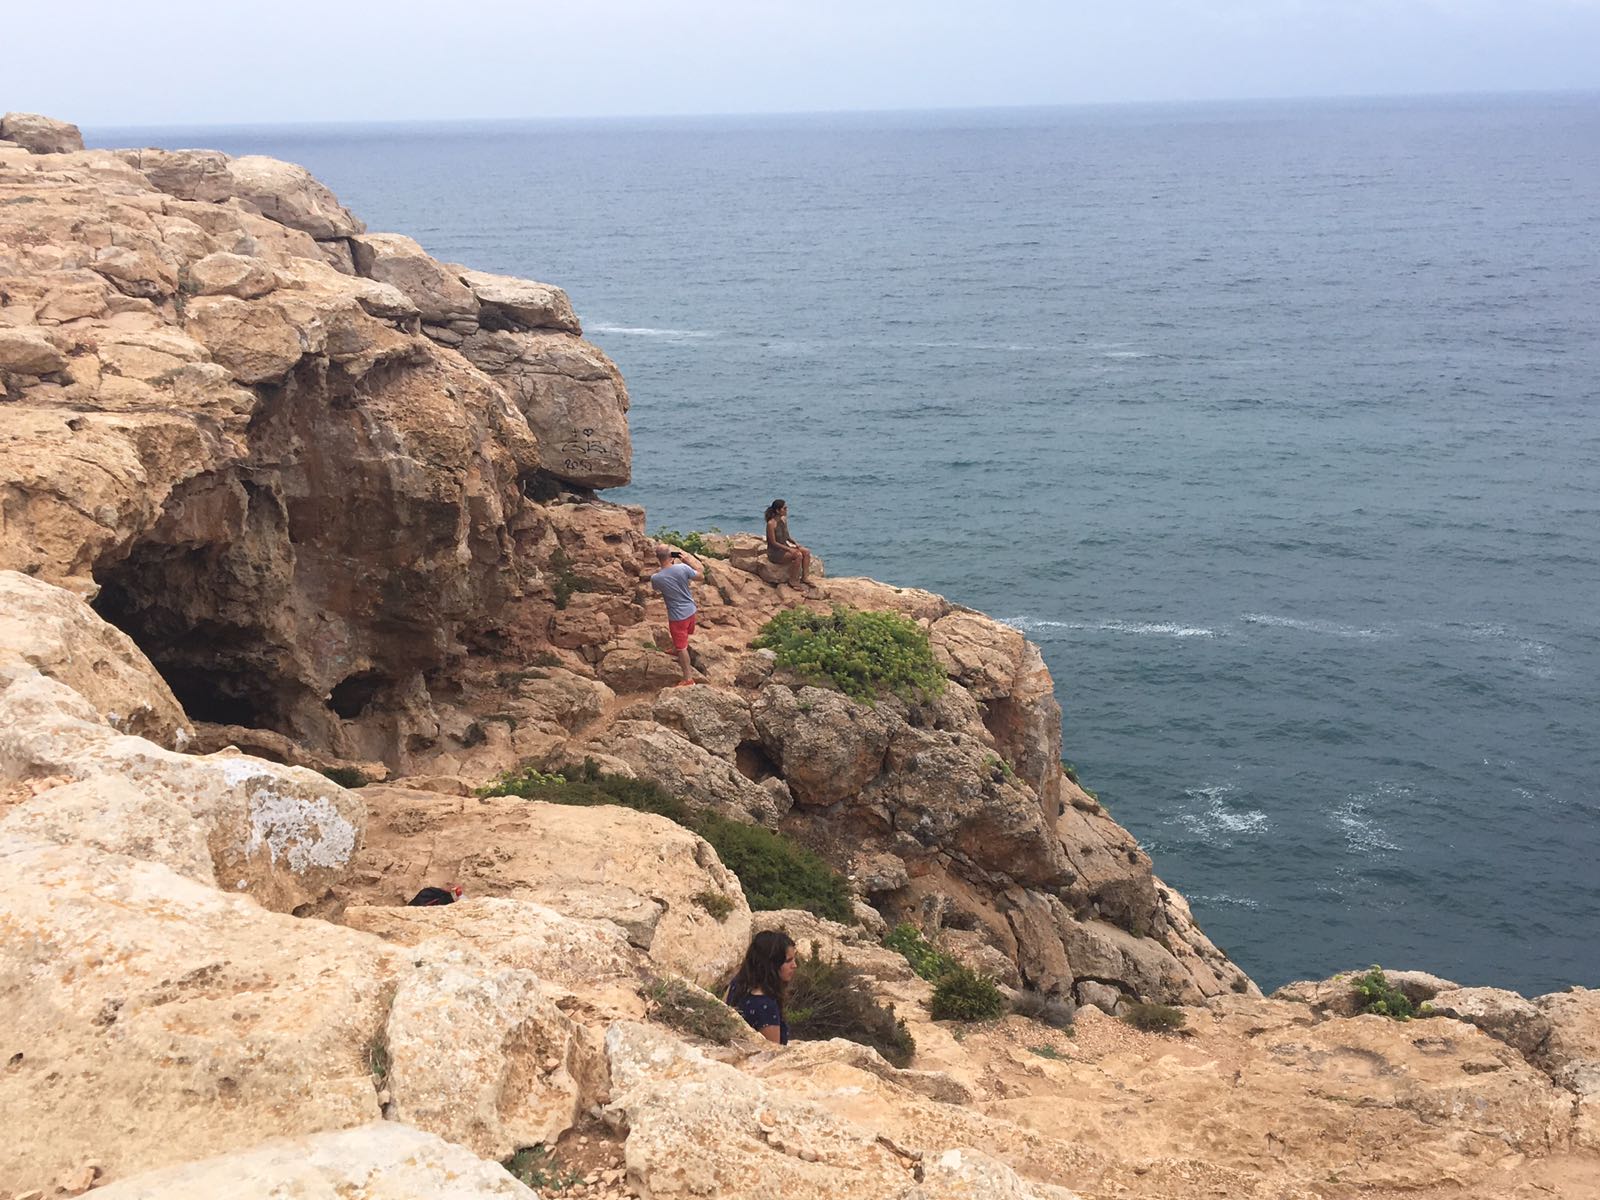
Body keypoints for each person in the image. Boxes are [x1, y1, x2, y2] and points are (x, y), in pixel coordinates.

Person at [724, 930, 797, 1044]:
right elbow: (773, 1051)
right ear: (772, 964)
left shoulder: (737, 984)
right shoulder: (765, 1006)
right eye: (788, 961)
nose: (794, 965)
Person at [650, 543, 704, 686]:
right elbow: (701, 575)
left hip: (677, 616)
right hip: (691, 610)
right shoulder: (683, 568)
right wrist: (688, 561)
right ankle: (676, 648)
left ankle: (688, 678)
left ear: (658, 558)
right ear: (671, 556)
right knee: (683, 636)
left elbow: (656, 589)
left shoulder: (656, 578)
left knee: (682, 648)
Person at [764, 499, 811, 588]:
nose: (786, 510)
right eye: (784, 508)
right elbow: (773, 542)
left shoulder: (783, 520)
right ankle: (793, 580)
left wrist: (795, 543)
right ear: (778, 510)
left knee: (806, 552)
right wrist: (789, 549)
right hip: (775, 553)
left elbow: (787, 536)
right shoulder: (771, 524)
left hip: (784, 547)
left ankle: (805, 577)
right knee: (798, 555)